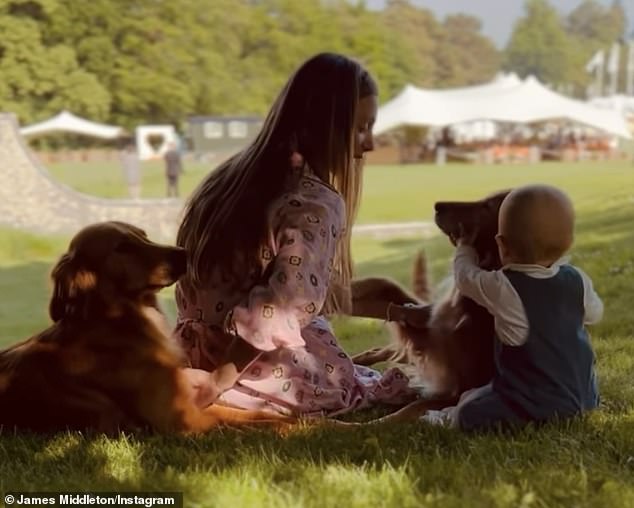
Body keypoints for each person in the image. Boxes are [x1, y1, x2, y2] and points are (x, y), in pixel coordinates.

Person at [173, 53, 417, 417]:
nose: (369, 145)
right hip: (257, 370)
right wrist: (218, 382)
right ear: (324, 125)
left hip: (193, 354)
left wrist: (405, 313)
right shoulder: (315, 202)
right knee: (357, 384)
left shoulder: (226, 181)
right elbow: (284, 304)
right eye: (361, 128)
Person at [422, 184, 604, 431]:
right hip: (585, 397)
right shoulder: (577, 280)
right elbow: (595, 313)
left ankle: (447, 419)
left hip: (534, 403)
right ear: (569, 242)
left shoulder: (505, 288)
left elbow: (465, 278)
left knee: (469, 409)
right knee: (477, 393)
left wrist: (465, 246)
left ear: (503, 246)